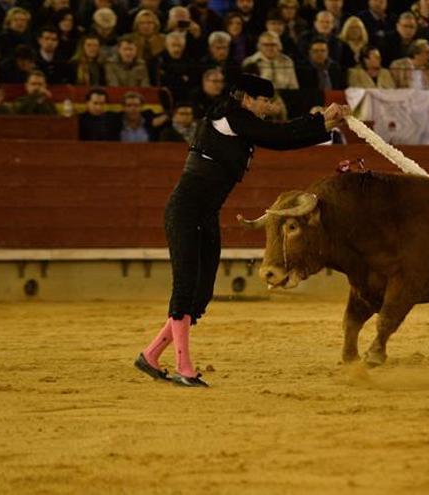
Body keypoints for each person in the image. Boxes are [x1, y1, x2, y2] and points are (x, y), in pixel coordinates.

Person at [134, 74, 350, 387]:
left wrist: (326, 123)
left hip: (204, 214)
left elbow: (281, 136)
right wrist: (321, 120)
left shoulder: (240, 123)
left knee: (201, 293)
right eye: (264, 101)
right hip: (185, 211)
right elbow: (278, 136)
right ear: (247, 98)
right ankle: (184, 367)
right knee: (185, 288)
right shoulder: (230, 114)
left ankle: (151, 355)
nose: (269, 106)